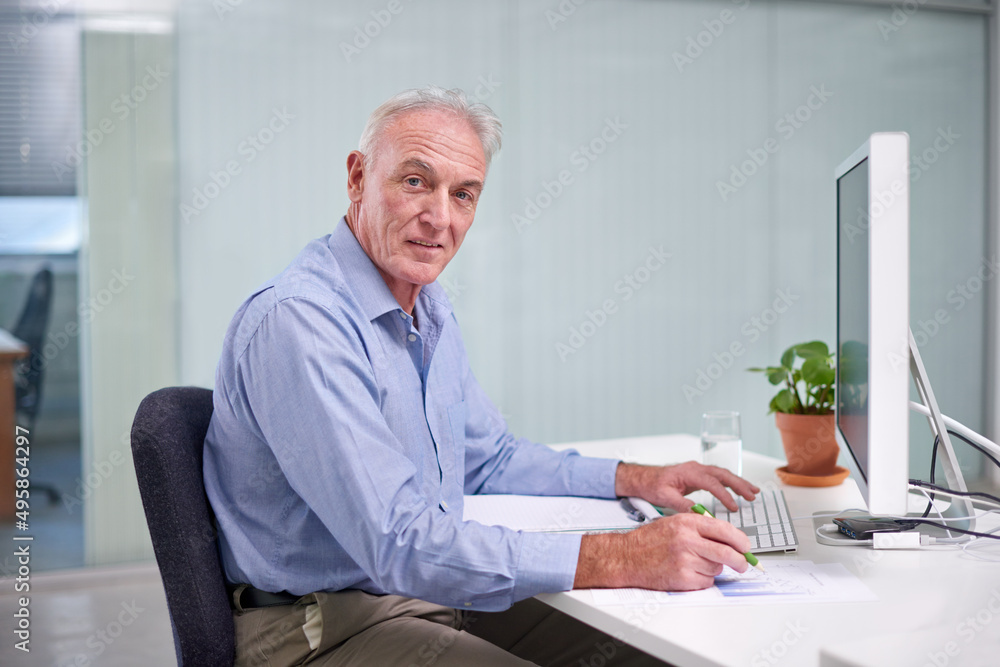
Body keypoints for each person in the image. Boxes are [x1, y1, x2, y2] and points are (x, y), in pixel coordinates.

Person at [203, 86, 758, 667]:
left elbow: (489, 460)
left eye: (463, 195)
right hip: (321, 632)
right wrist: (622, 556)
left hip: (418, 599)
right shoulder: (302, 323)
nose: (440, 218)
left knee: (647, 653)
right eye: (415, 182)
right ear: (358, 177)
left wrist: (637, 479)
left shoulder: (427, 308)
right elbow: (399, 542)